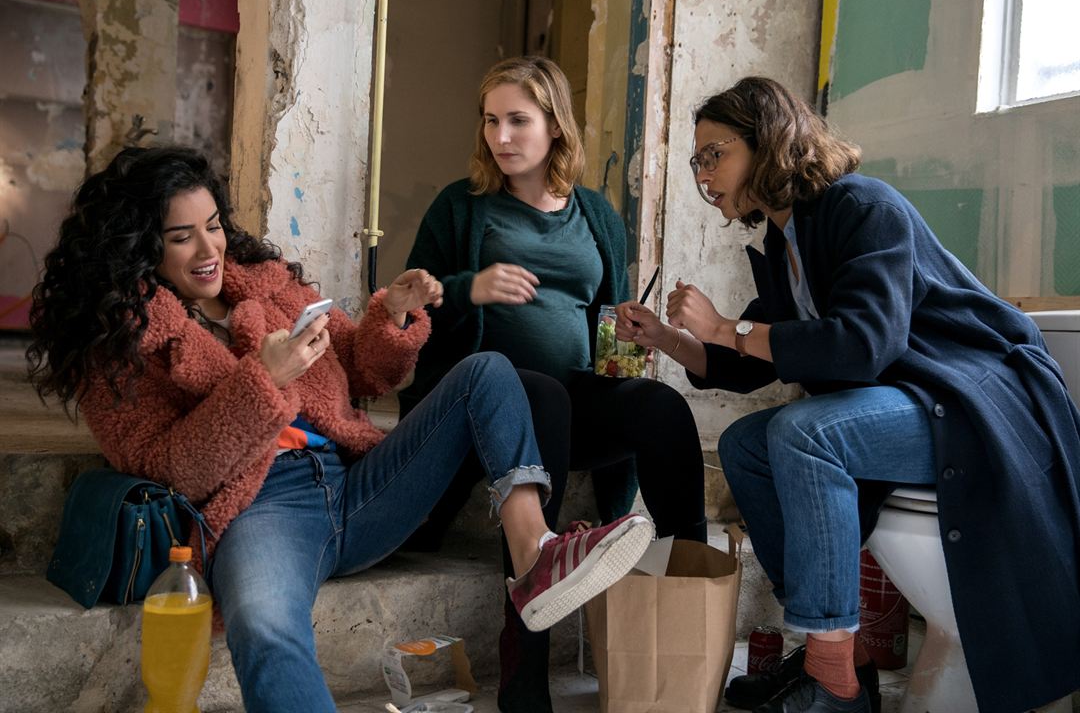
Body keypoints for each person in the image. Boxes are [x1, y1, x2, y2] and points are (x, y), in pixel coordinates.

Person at [26, 146, 655, 713]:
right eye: (182, 237)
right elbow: (168, 469)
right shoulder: (124, 340)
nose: (209, 249)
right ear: (140, 245)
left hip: (358, 481)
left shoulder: (264, 283)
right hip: (258, 511)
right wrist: (263, 382)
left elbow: (361, 369)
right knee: (265, 624)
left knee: (486, 372)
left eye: (214, 226)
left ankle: (536, 553)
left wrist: (395, 314)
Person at [618, 77, 1080, 713]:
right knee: (747, 444)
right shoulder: (788, 240)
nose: (703, 174)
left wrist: (727, 326)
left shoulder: (865, 207)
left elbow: (865, 345)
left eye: (713, 154)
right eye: (698, 160)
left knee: (802, 432)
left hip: (973, 401)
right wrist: (671, 339)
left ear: (767, 143)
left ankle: (833, 682)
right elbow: (753, 361)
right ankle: (839, 656)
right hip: (914, 400)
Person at [400, 56, 707, 713]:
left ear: (555, 127)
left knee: (660, 406)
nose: (500, 137)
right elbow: (401, 314)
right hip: (485, 407)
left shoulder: (595, 214)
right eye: (491, 121)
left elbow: (611, 332)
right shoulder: (460, 207)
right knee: (541, 394)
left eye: (518, 120)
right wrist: (468, 288)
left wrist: (632, 340)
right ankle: (525, 665)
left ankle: (692, 597)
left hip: (571, 398)